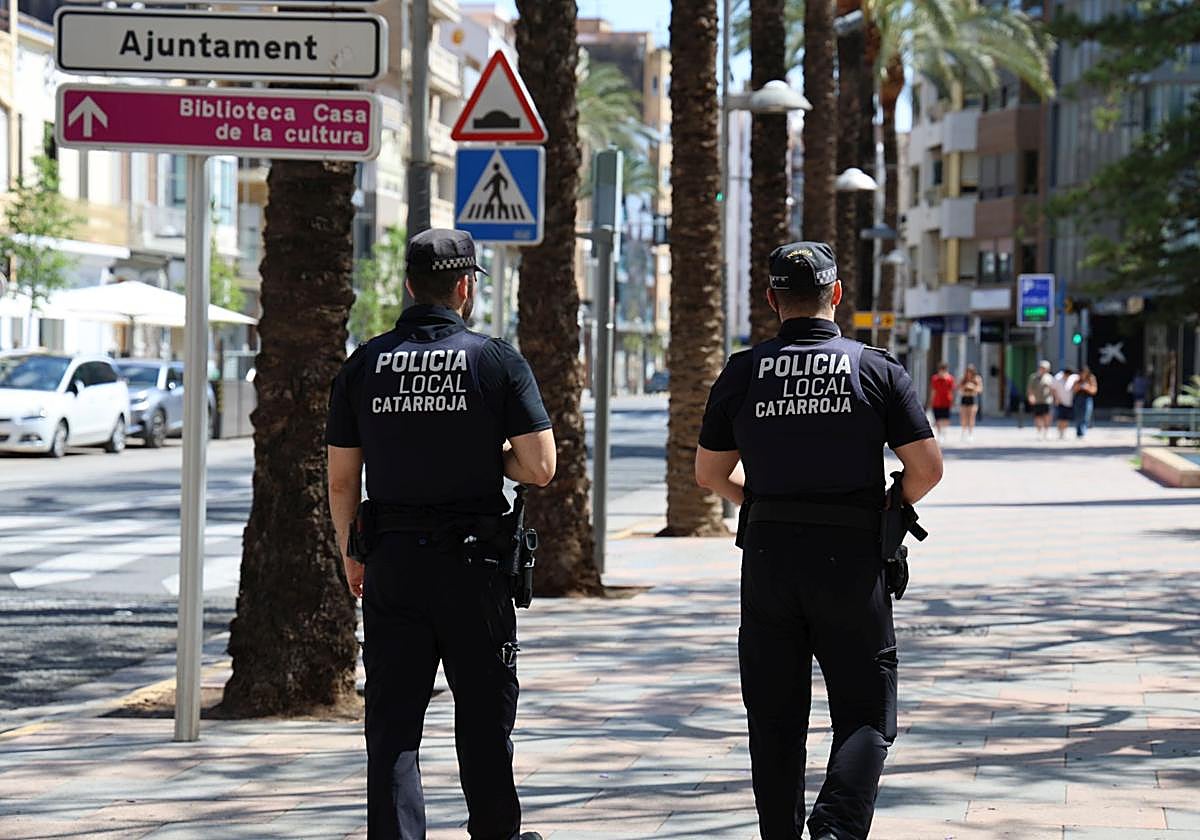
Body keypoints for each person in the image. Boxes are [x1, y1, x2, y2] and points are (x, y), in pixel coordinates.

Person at [694, 241, 944, 840]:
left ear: (773, 300)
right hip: (852, 562)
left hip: (770, 559)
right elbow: (927, 468)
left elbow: (708, 474)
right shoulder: (875, 369)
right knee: (865, 711)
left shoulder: (744, 369)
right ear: (836, 295)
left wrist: (758, 502)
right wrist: (894, 503)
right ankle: (834, 829)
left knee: (775, 716)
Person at [325, 229, 555, 840]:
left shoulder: (364, 364)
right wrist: (489, 458)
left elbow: (344, 481)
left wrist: (352, 552)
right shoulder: (494, 359)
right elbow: (539, 466)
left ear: (408, 285)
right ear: (465, 286)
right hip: (473, 567)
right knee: (482, 717)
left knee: (394, 727)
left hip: (392, 563)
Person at [1026, 360, 1055, 440]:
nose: (1043, 369)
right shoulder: (1033, 377)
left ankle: (1047, 431)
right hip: (1037, 399)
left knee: (1047, 416)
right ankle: (1039, 431)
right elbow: (1030, 388)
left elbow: (1053, 389)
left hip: (1047, 400)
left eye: (1045, 368)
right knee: (1038, 416)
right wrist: (1031, 397)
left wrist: (1054, 398)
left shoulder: (1050, 378)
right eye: (1041, 367)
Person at [927, 362, 956, 440]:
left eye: (944, 370)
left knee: (945, 418)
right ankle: (940, 433)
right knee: (938, 418)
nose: (942, 372)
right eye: (941, 370)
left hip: (946, 401)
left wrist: (953, 401)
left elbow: (952, 391)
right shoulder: (935, 378)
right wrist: (930, 401)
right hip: (937, 401)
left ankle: (943, 432)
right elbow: (933, 391)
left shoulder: (950, 379)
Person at [1051, 367, 1078, 440]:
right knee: (1060, 418)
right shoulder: (1057, 378)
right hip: (1060, 401)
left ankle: (1064, 433)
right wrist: (1056, 399)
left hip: (1069, 402)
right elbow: (1053, 389)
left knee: (1066, 418)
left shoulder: (1073, 377)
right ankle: (1060, 432)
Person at [959, 364, 982, 442]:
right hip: (965, 398)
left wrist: (972, 386)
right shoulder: (963, 379)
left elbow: (980, 389)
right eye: (968, 371)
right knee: (963, 417)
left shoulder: (977, 378)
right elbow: (959, 388)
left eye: (971, 371)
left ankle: (970, 433)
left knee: (971, 417)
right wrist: (965, 386)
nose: (969, 373)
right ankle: (963, 432)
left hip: (972, 398)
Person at [1075, 366, 1098, 437]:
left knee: (1086, 415)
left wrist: (1087, 387)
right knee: (1078, 415)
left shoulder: (1091, 378)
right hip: (1078, 398)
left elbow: (1094, 390)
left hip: (1087, 398)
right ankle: (1079, 431)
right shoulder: (1077, 379)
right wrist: (1079, 386)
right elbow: (1073, 389)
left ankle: (1082, 431)